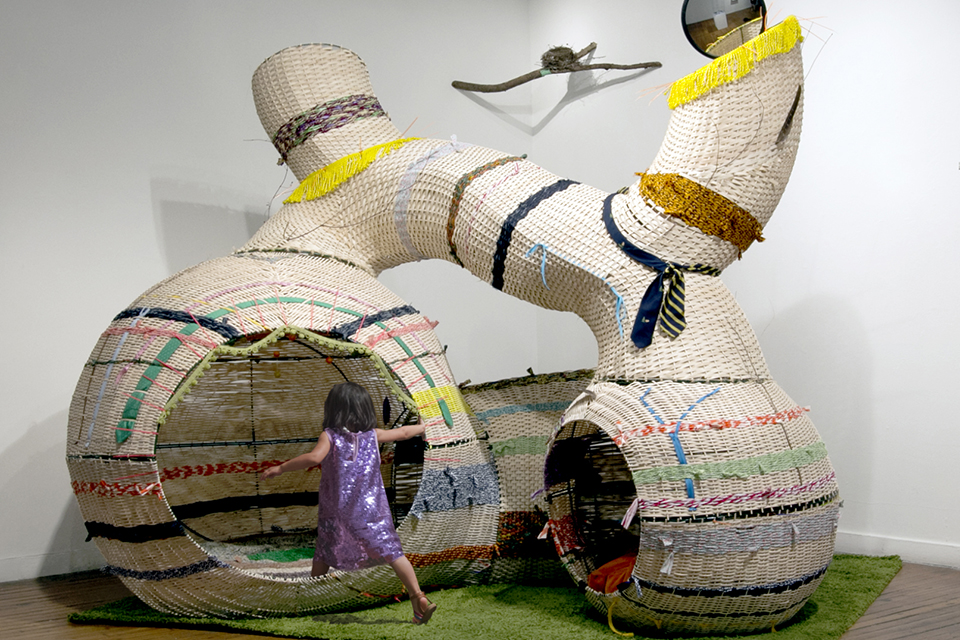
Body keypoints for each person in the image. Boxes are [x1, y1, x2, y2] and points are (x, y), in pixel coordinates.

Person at [260, 381, 437, 625]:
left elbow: (314, 457)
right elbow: (404, 433)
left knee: (325, 548)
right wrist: (423, 427)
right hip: (372, 510)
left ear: (334, 410)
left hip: (338, 509)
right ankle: (418, 596)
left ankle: (312, 599)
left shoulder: (330, 436)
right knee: (392, 550)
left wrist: (281, 468)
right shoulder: (373, 435)